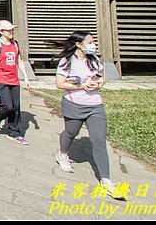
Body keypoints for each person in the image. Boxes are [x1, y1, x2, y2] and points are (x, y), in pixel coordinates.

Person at [52, 32, 125, 200]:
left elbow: (100, 77)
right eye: (90, 42)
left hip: (95, 106)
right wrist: (82, 86)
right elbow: (59, 83)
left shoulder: (94, 59)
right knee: (71, 133)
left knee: (99, 141)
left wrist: (98, 82)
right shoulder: (67, 61)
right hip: (74, 104)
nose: (93, 45)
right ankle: (62, 154)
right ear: (79, 44)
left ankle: (107, 181)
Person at [0, 20, 31, 145]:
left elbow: (20, 61)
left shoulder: (15, 44)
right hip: (1, 79)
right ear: (1, 32)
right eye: (9, 30)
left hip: (14, 79)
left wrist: (26, 77)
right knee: (7, 106)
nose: (12, 32)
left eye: (12, 29)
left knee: (16, 107)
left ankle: (14, 132)